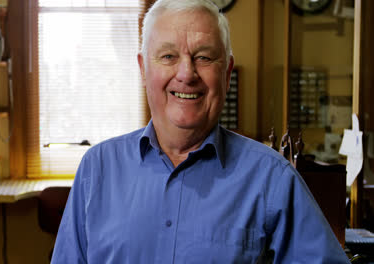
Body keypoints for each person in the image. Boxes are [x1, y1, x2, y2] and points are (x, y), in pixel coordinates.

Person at [51, 0, 351, 263]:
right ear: (143, 69)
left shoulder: (273, 178)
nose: (186, 74)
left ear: (227, 72)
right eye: (168, 56)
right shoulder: (97, 169)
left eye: (204, 58)